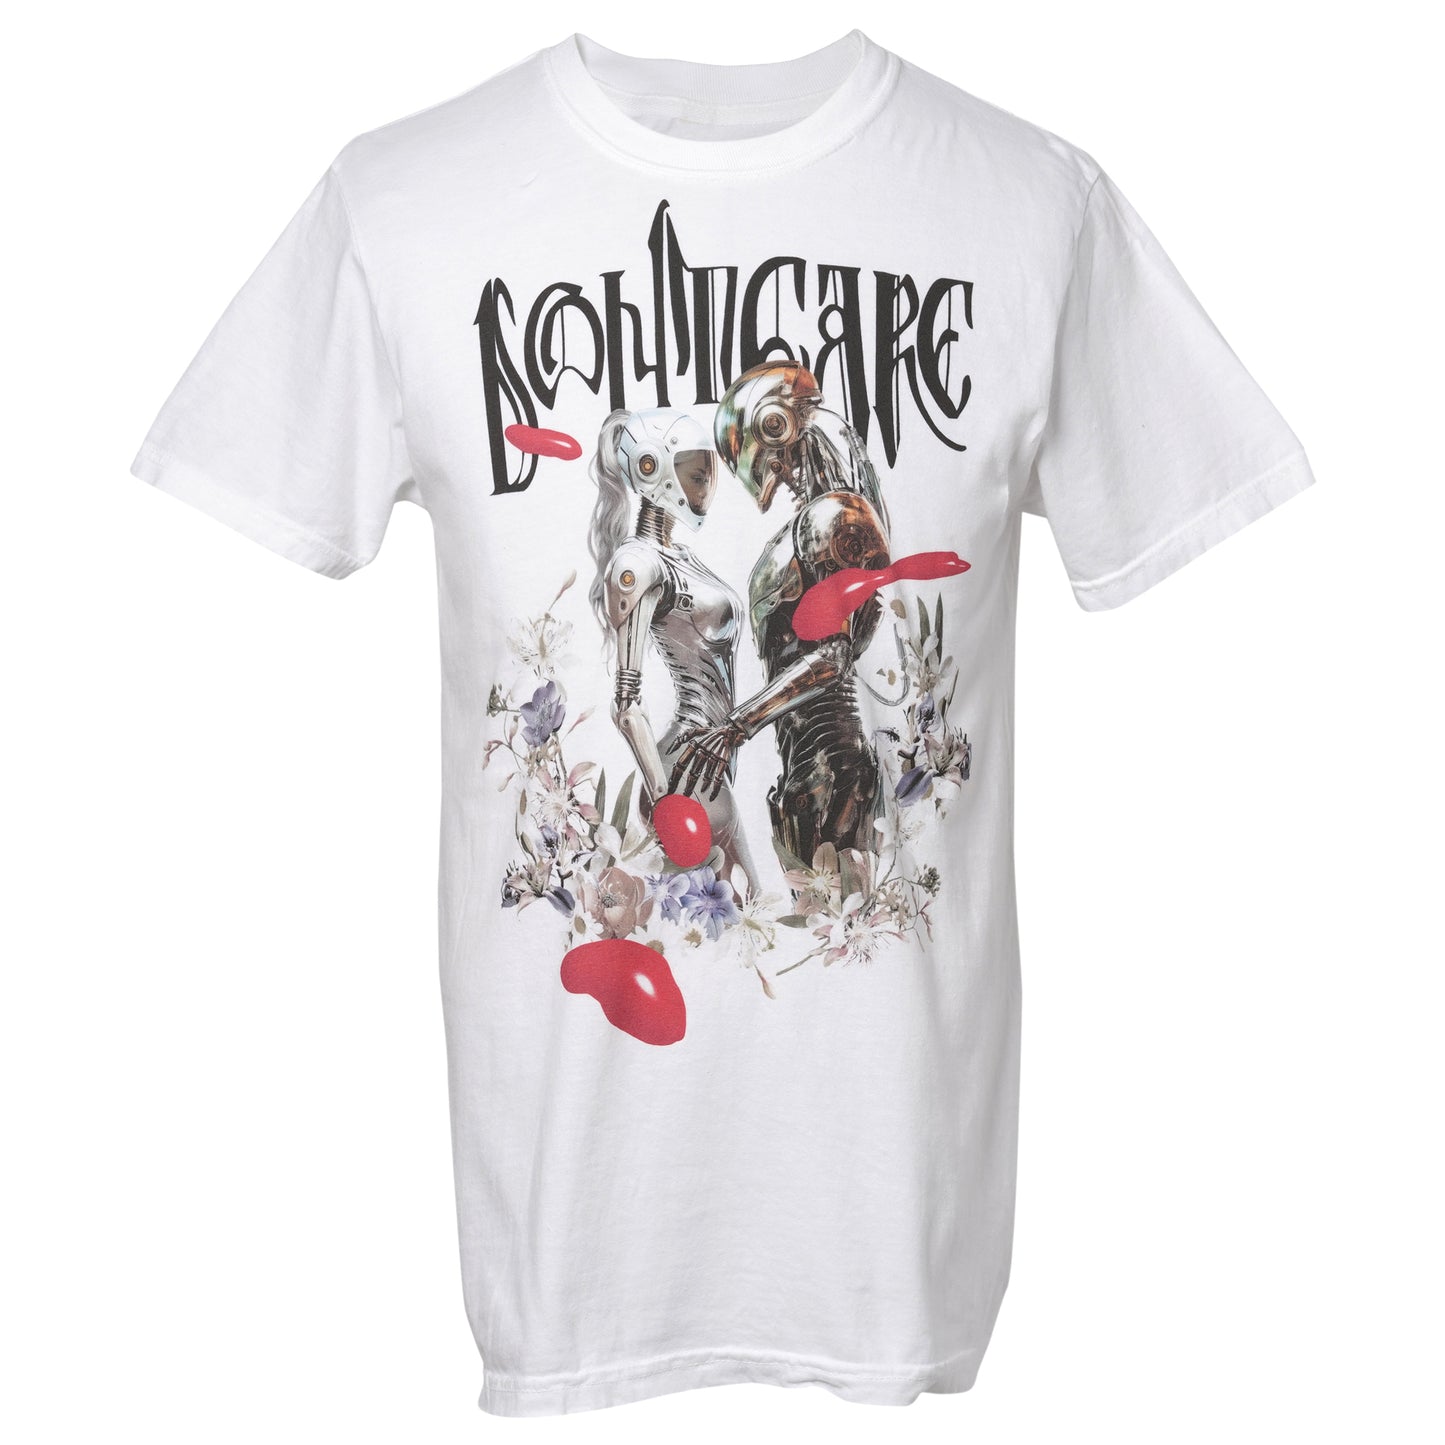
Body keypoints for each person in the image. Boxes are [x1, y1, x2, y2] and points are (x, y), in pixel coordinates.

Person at [669, 363, 891, 864]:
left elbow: (832, 657)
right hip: (803, 777)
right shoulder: (810, 526)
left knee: (838, 900)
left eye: (779, 460)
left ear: (779, 426)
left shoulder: (835, 518)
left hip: (835, 767)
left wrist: (738, 724)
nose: (783, 474)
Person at [586, 407, 757, 891]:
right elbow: (626, 705)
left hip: (707, 760)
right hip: (686, 772)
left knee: (734, 916)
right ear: (651, 469)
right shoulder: (637, 564)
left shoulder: (677, 555)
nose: (704, 487)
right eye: (695, 475)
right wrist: (665, 800)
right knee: (746, 907)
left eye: (706, 474)